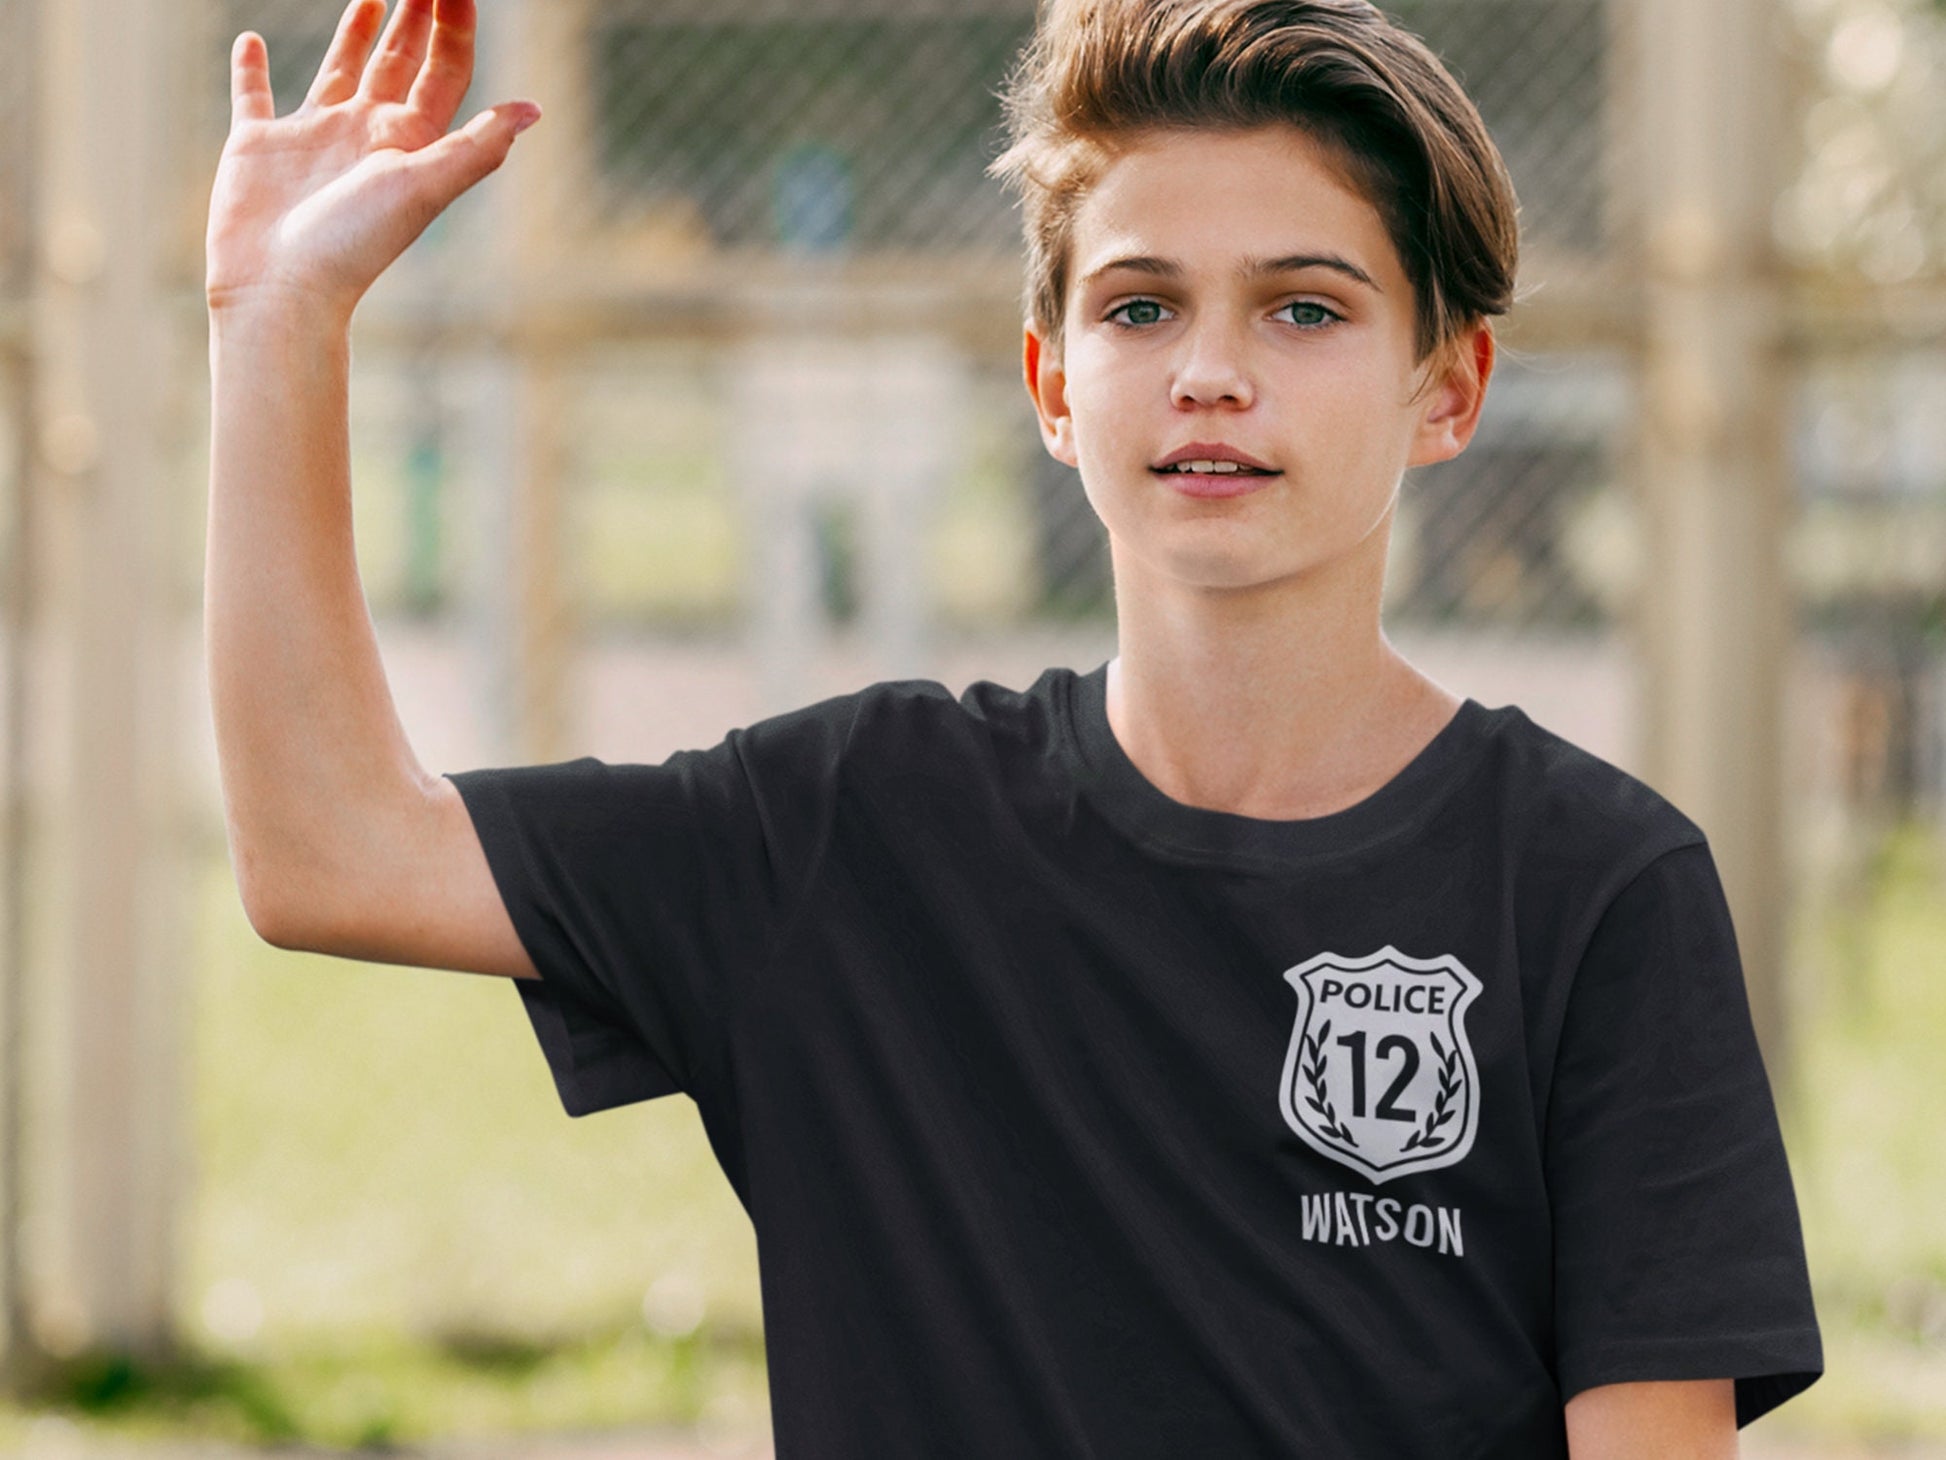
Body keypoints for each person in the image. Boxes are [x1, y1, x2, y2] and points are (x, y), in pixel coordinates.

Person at [204, 0, 1823, 1453]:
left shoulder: (1592, 888)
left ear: (1448, 386)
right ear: (1050, 386)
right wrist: (279, 321)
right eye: (1137, 308)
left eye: (1304, 310)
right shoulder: (851, 828)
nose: (1206, 372)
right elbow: (329, 852)